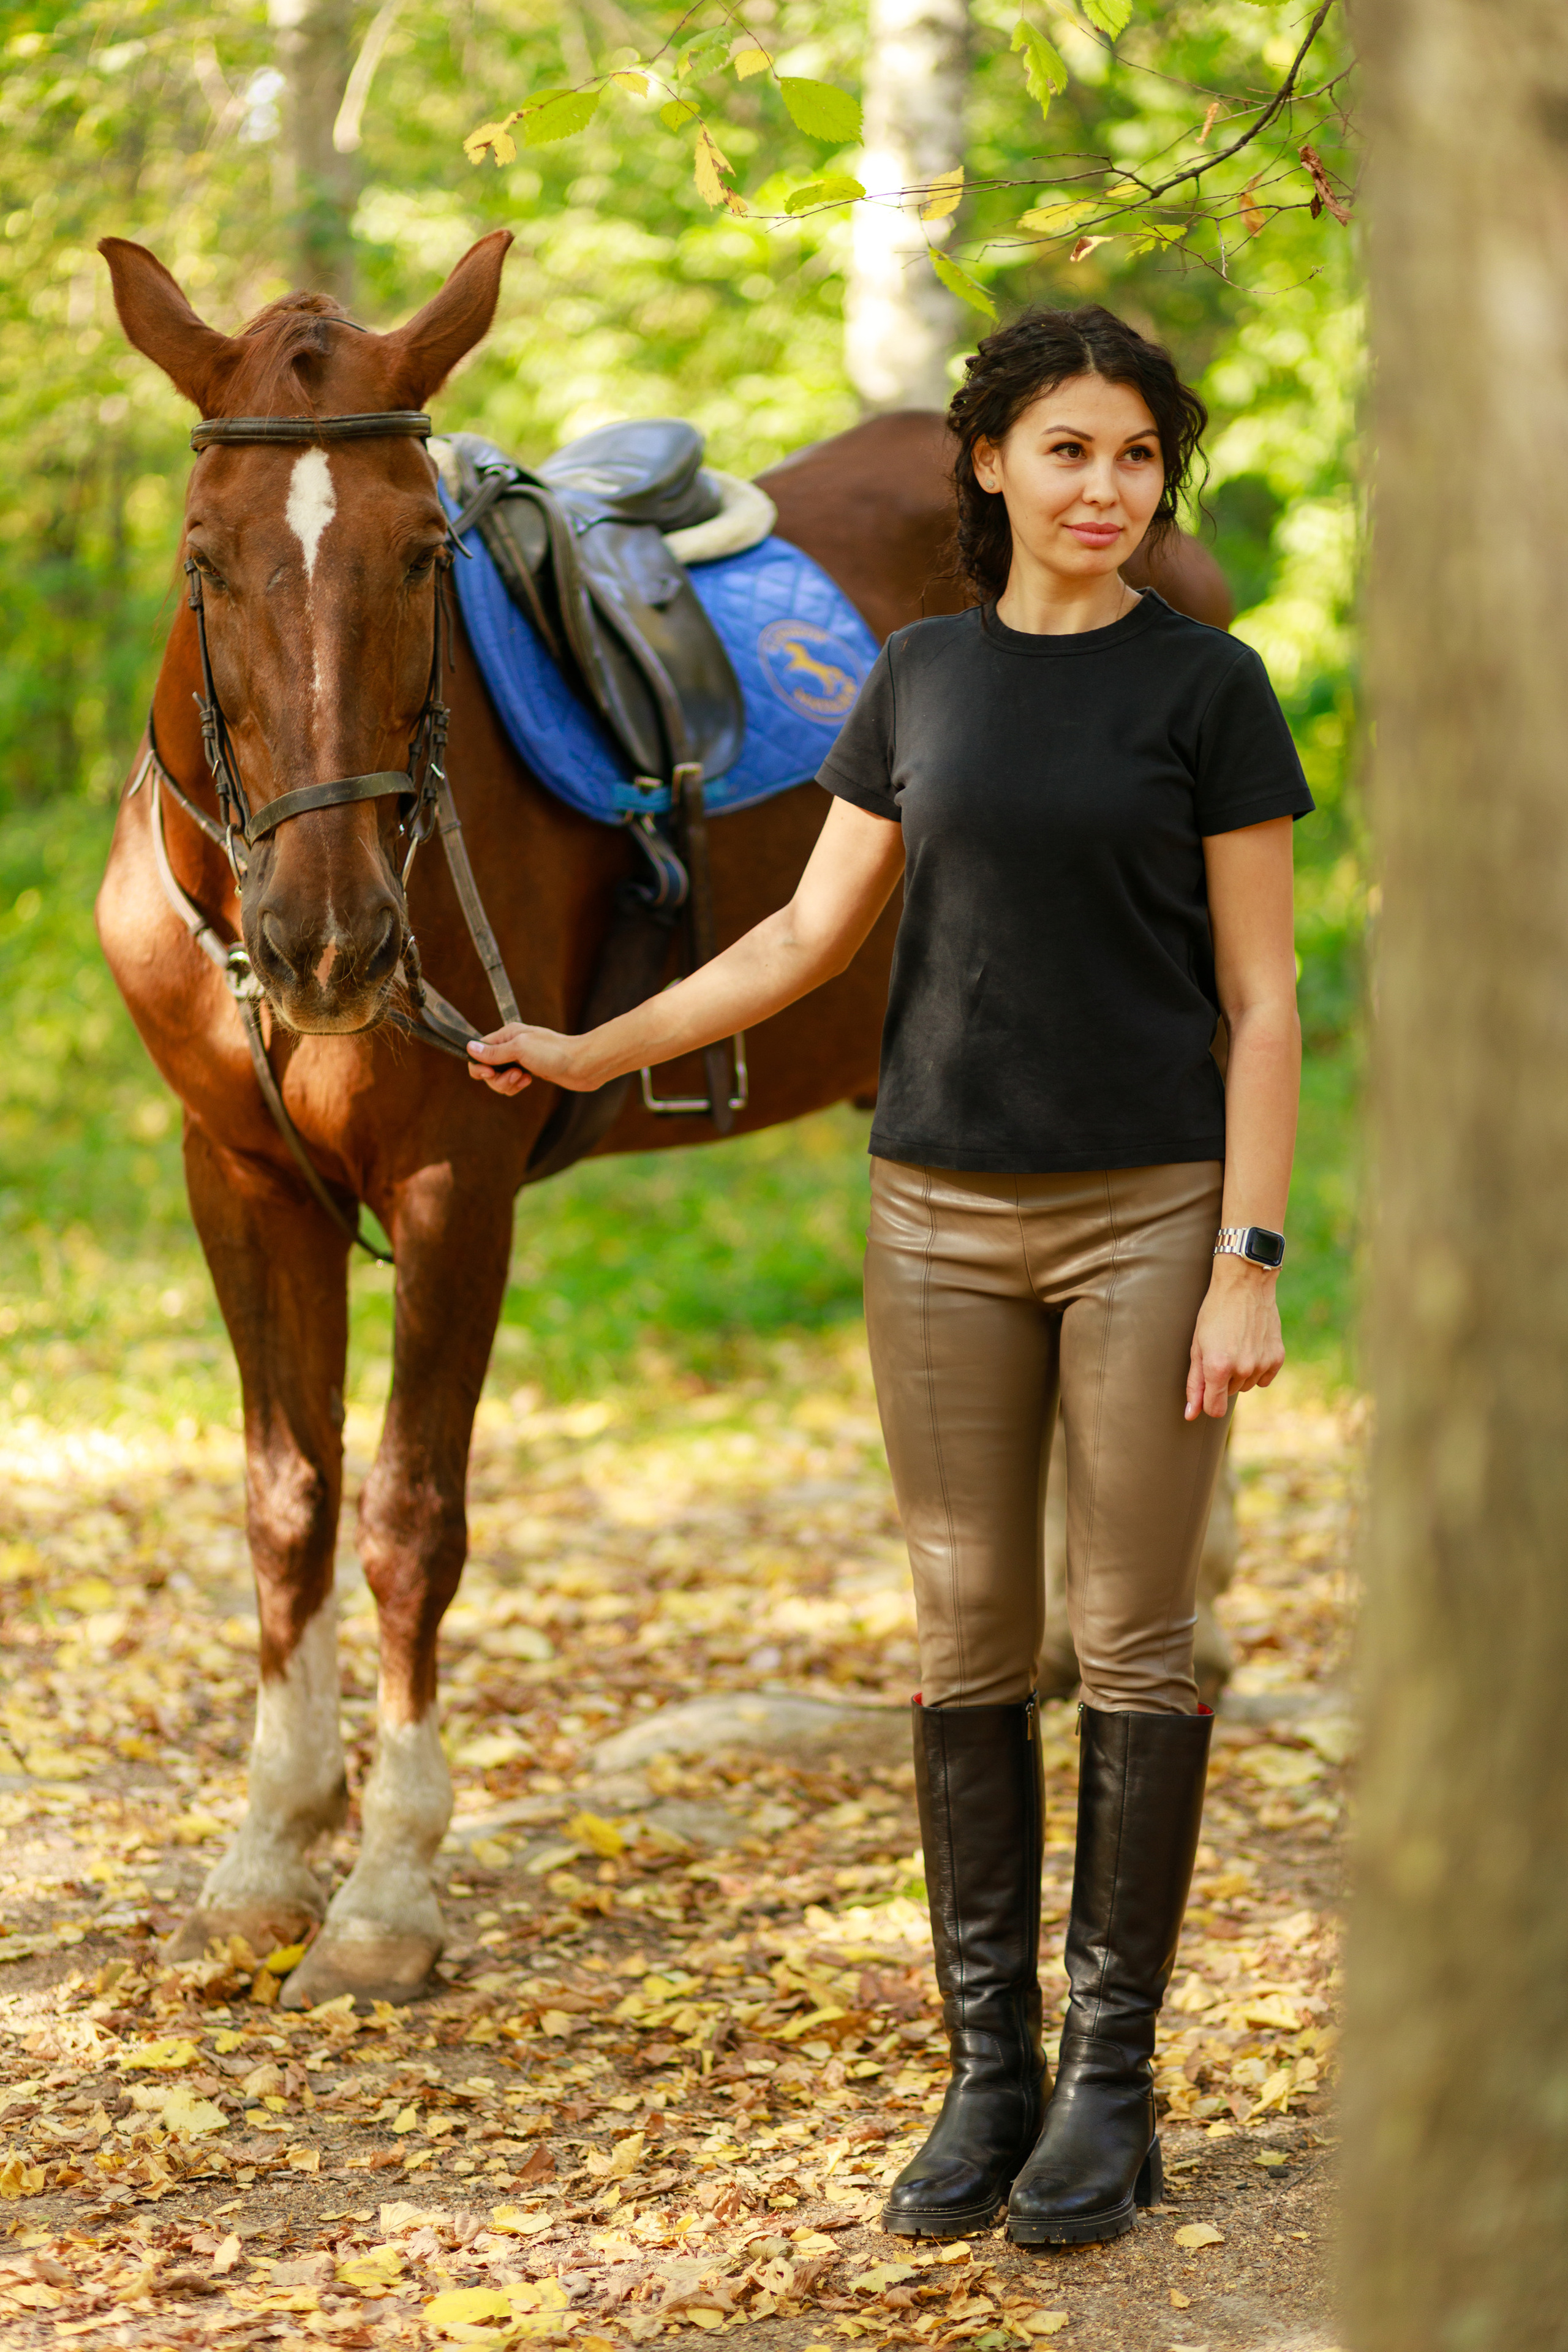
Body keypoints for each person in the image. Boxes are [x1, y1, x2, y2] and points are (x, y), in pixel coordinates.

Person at [467, 306, 1311, 2246]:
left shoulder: (1214, 689)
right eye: (1069, 451)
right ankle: (986, 2074)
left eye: (1137, 458)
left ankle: (1111, 2087)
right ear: (994, 466)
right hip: (934, 1212)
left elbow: (1266, 1004)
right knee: (959, 1645)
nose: (1106, 489)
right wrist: (593, 1052)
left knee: (1137, 1645)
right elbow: (799, 945)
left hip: (1150, 1215)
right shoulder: (916, 677)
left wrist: (1250, 1257)